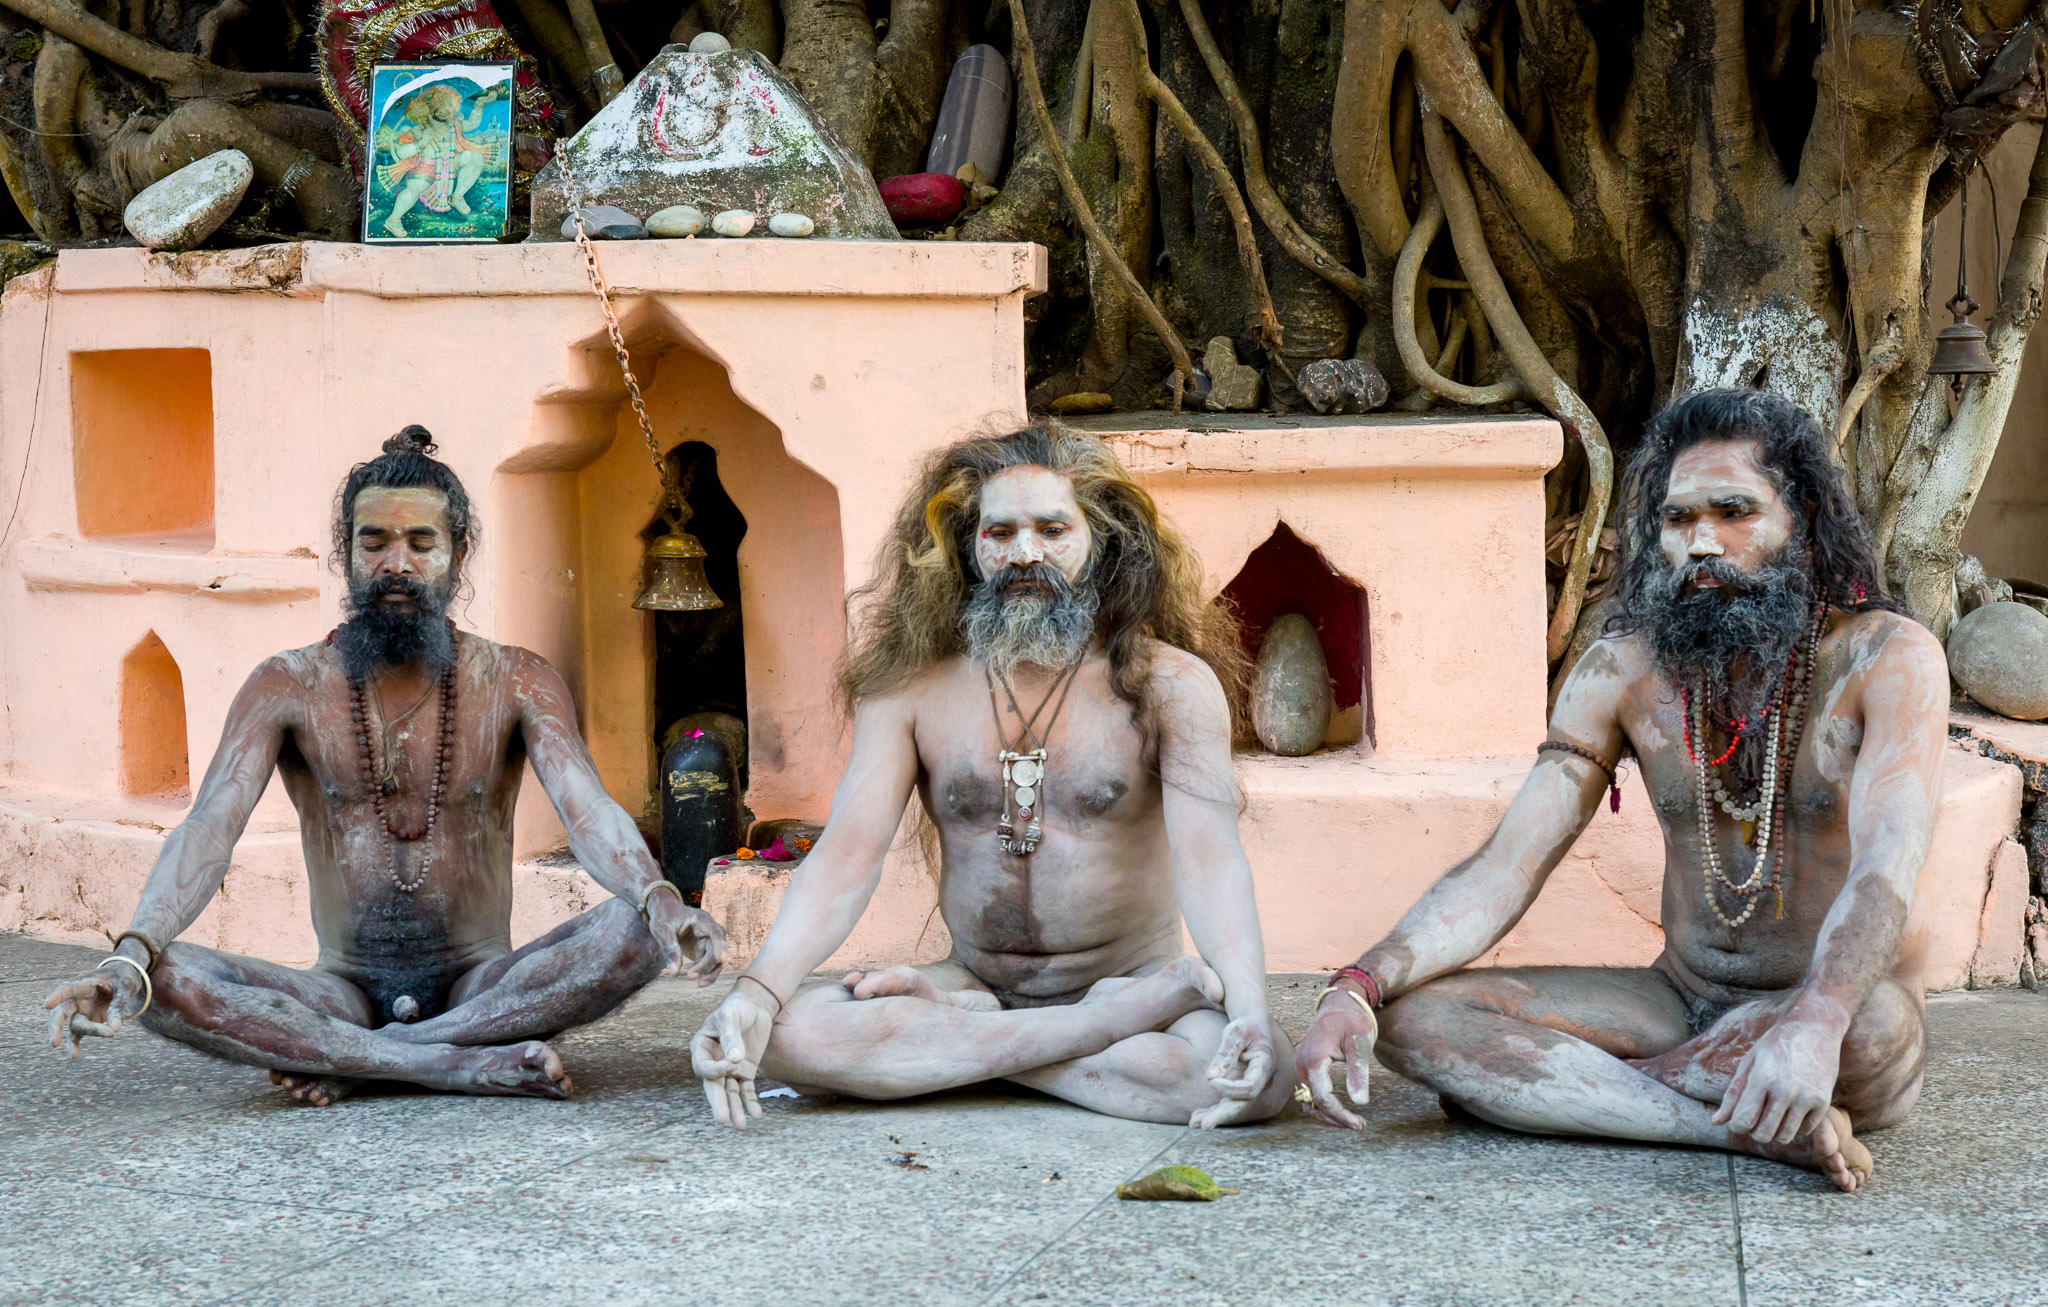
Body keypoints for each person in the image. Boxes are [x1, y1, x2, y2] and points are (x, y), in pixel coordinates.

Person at [1296, 389, 1947, 1193]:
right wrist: (1357, 984)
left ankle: (1597, 1094)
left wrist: (1814, 1019)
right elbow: (1506, 866)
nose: (1702, 542)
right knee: (1415, 1020)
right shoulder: (1624, 667)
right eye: (1678, 520)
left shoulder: (1888, 660)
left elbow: (1890, 863)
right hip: (1678, 995)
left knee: (1876, 1031)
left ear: (1803, 519)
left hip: (1829, 1006)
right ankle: (1728, 1128)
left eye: (1735, 510)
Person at [45, 426, 725, 1103]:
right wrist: (131, 952)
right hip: (338, 991)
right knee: (160, 980)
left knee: (637, 930)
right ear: (346, 553)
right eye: (374, 542)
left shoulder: (519, 678)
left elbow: (588, 810)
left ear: (459, 556)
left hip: (482, 986)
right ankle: (450, 1065)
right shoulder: (285, 684)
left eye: (421, 543)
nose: (396, 562)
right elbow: (209, 827)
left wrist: (661, 902)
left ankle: (370, 1062)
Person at [689, 426, 1292, 1130]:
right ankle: (1082, 1037)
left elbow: (1210, 860)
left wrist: (1247, 1012)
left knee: (1250, 1074)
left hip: (1124, 977)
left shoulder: (1172, 687)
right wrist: (757, 991)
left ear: (1103, 540)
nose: (1024, 553)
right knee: (784, 1033)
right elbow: (848, 855)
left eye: (1052, 528)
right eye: (999, 531)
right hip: (976, 982)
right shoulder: (910, 690)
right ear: (965, 548)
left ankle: (953, 1054)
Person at [380, 82, 502, 237]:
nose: (450, 110)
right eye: (444, 107)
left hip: (451, 165)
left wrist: (480, 103)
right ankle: (393, 220)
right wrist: (419, 144)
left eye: (450, 105)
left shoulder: (454, 125)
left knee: (475, 157)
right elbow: (401, 153)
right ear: (431, 111)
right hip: (426, 169)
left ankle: (457, 197)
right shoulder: (418, 130)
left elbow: (473, 123)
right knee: (413, 189)